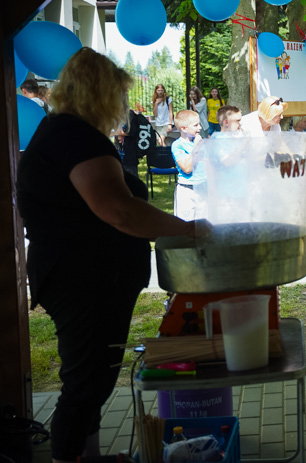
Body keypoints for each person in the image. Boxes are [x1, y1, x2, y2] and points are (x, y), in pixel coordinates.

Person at [17, 48, 199, 463]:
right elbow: (119, 210)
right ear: (99, 93)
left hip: (89, 277)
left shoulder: (67, 132)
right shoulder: (73, 136)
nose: (121, 106)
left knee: (93, 380)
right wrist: (188, 230)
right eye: (118, 94)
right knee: (85, 383)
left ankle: (89, 457)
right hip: (82, 279)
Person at [171, 110, 207, 221]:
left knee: (203, 225)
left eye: (199, 124)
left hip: (203, 188)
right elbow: (187, 168)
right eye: (196, 125)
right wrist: (196, 148)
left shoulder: (201, 142)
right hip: (187, 190)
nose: (200, 128)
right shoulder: (178, 145)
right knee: (185, 225)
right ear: (184, 128)